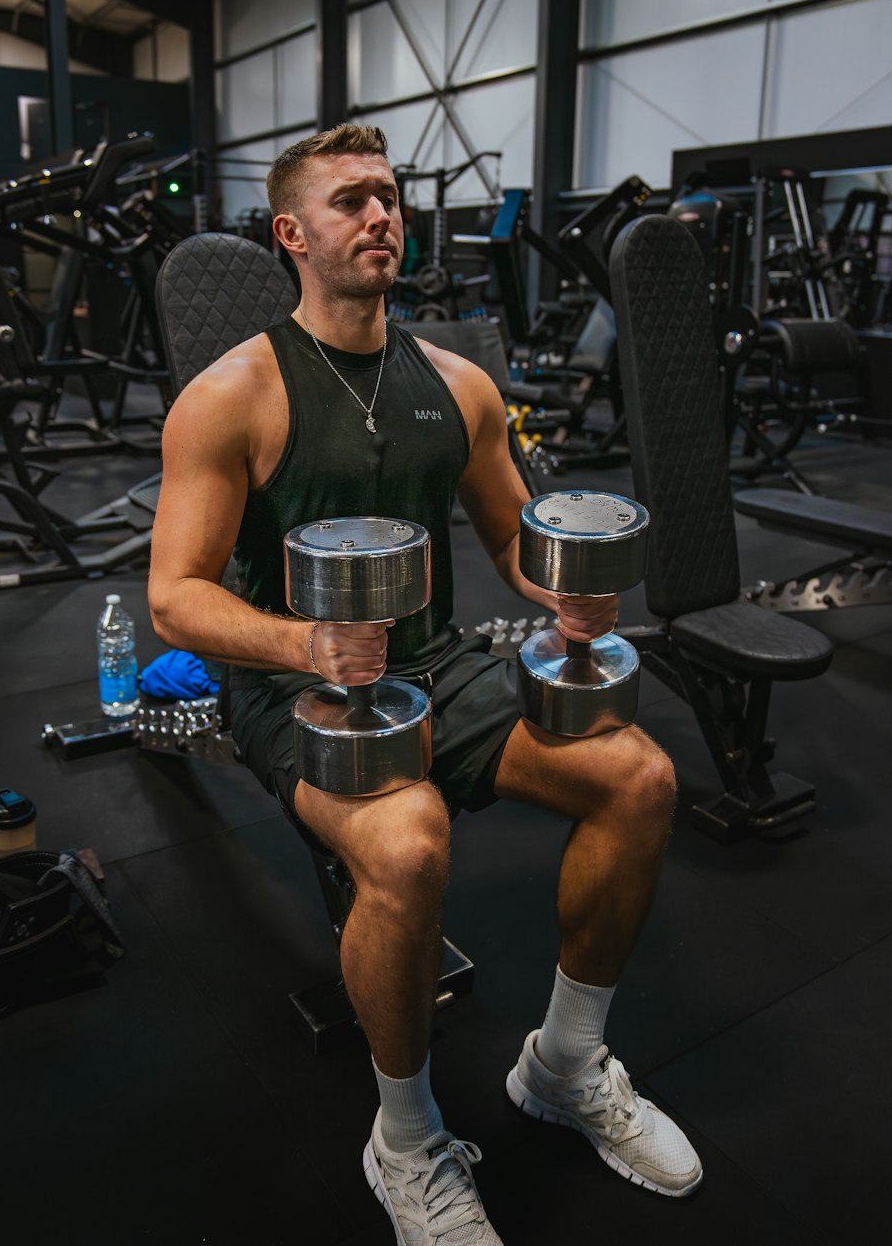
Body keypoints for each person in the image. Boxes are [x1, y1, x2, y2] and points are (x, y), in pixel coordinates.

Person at [148, 123, 702, 1244]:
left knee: (638, 777)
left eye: (389, 196)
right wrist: (308, 647)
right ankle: (404, 1139)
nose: (380, 215)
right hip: (288, 684)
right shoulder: (232, 394)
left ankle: (564, 1062)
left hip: (435, 666)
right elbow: (174, 598)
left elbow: (512, 544)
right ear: (291, 234)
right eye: (351, 200)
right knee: (407, 846)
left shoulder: (458, 383)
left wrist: (562, 594)